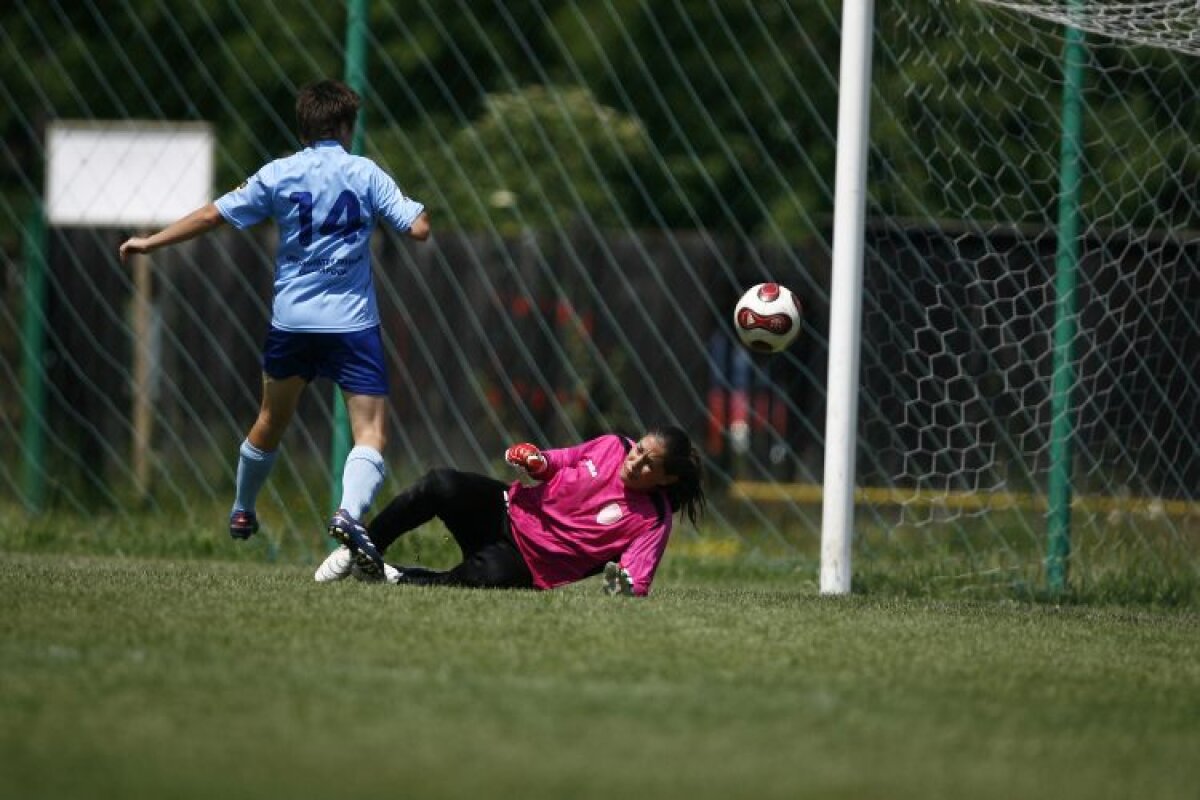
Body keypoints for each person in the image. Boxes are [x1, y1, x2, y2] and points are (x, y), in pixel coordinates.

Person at [119, 79, 430, 570]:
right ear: (346, 126)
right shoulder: (365, 173)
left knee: (271, 421)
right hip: (351, 324)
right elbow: (418, 228)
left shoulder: (278, 174)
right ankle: (348, 513)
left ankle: (243, 508)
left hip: (293, 322)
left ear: (303, 127)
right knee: (369, 432)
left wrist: (148, 242)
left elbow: (209, 216)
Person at [314, 425, 705, 596]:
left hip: (527, 565)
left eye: (649, 463)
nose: (635, 462)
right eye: (639, 451)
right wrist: (536, 460)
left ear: (666, 480)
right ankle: (360, 549)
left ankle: (397, 578)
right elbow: (560, 461)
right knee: (441, 484)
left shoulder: (654, 519)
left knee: (490, 575)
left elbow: (636, 579)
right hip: (506, 509)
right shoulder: (612, 444)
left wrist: (622, 585)